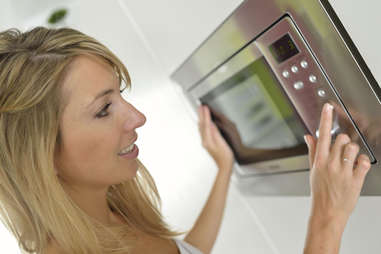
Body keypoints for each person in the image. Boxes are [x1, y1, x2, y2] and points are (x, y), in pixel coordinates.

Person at [0, 27, 371, 254]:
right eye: (103, 110)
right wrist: (328, 218)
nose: (137, 118)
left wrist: (224, 169)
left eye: (120, 94)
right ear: (40, 154)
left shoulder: (108, 215)